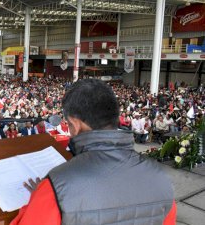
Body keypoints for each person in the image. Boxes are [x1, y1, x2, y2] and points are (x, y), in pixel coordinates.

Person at [11, 79, 176, 225]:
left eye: (68, 124)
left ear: (76, 124)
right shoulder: (161, 178)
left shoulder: (56, 188)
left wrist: (36, 200)